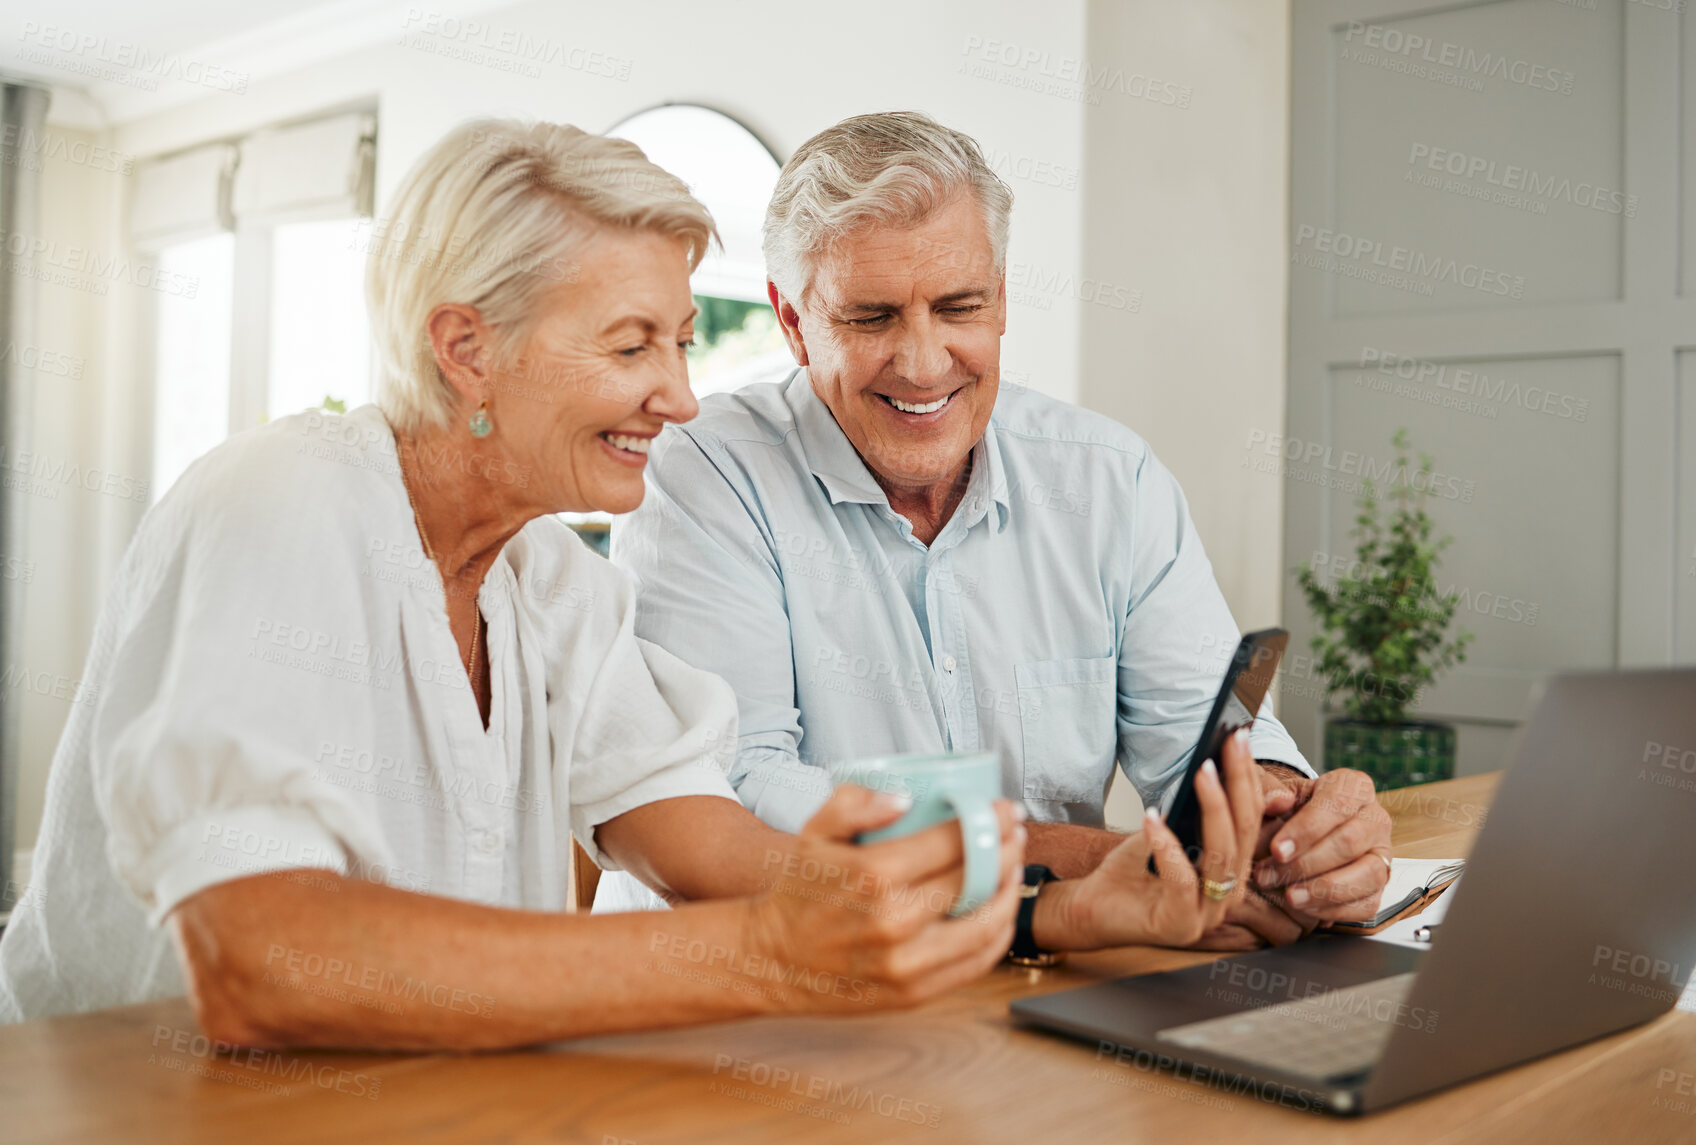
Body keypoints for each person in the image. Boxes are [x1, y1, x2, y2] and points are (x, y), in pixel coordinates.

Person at [0, 119, 1048, 1046]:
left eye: (680, 343)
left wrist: (891, 886)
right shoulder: (283, 499)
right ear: (467, 349)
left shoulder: (546, 577)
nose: (680, 398)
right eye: (631, 344)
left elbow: (690, 829)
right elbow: (259, 957)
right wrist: (768, 950)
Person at [605, 112, 1393, 954]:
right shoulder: (701, 470)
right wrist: (1060, 859)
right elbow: (736, 791)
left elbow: (1204, 744)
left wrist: (1285, 820)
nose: (922, 361)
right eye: (871, 318)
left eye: (959, 306)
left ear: (1004, 298)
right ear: (793, 323)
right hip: (751, 1002)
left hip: (1030, 982)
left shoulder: (1108, 479)